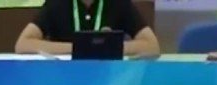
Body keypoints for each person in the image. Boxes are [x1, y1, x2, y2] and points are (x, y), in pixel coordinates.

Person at [15, 0, 160, 58]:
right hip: (65, 79)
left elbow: (152, 46)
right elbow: (23, 44)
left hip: (108, 80)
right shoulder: (57, 3)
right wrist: (78, 48)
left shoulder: (118, 3)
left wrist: (111, 47)